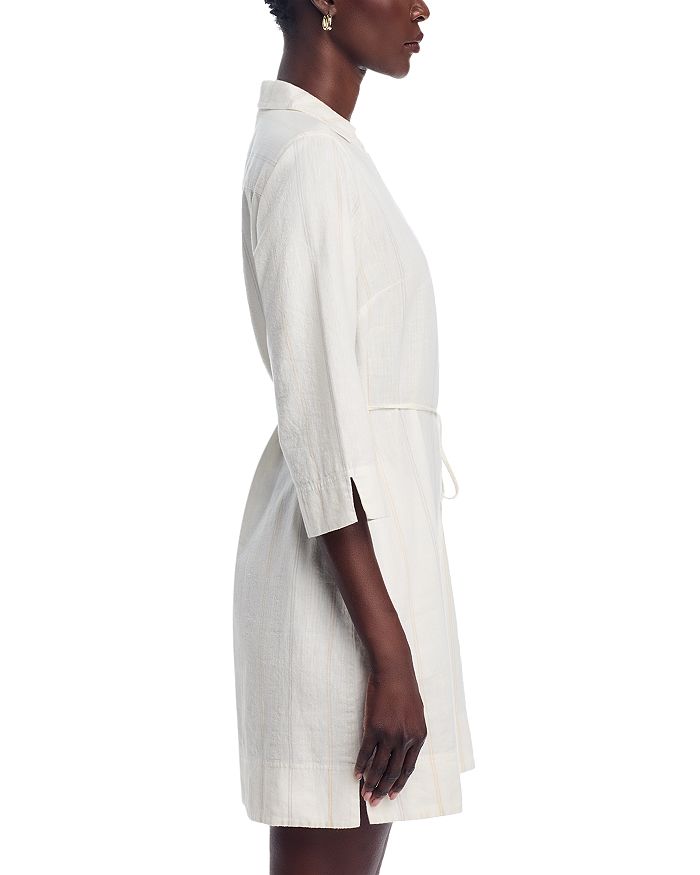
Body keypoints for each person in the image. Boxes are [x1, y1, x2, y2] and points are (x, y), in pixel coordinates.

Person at [234, 1, 475, 871]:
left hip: (366, 593)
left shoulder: (328, 152)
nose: (423, 7)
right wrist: (389, 652)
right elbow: (323, 426)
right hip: (344, 606)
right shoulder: (307, 161)